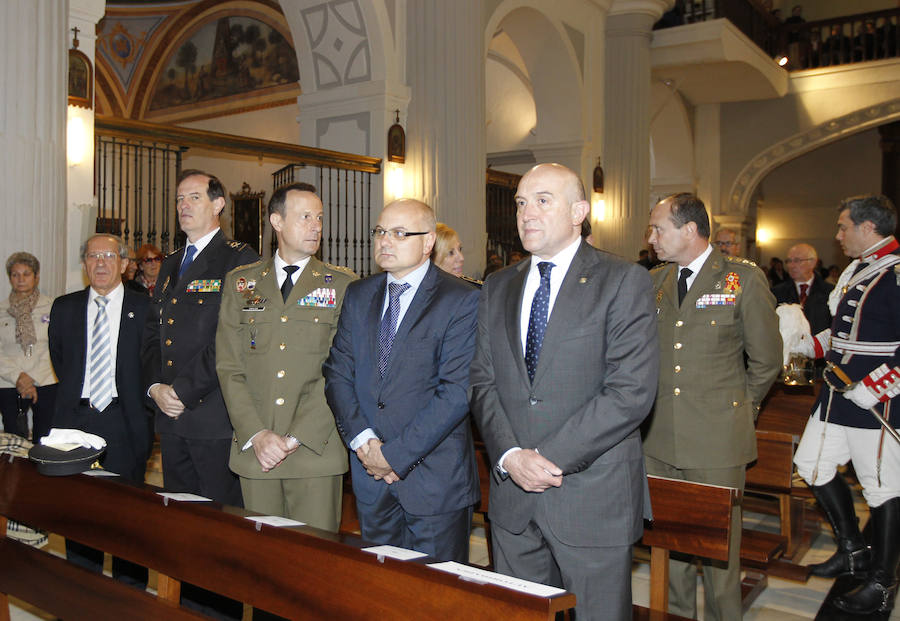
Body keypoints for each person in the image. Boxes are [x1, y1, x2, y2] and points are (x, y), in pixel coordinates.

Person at [469, 163, 658, 621]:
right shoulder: (498, 284)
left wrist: (545, 459)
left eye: (542, 200)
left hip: (590, 494)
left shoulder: (622, 280)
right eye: (520, 202)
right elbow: (481, 380)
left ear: (579, 211)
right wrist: (511, 455)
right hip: (513, 497)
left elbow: (630, 392)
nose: (526, 213)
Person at [644, 192, 782, 621]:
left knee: (721, 555)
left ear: (689, 230)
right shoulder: (654, 282)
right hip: (659, 438)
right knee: (669, 548)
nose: (651, 238)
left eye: (658, 228)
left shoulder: (740, 278)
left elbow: (767, 360)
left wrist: (741, 410)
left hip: (718, 441)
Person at [324, 199, 480, 562]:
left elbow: (456, 392)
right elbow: (337, 373)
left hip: (434, 482)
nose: (385, 241)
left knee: (436, 598)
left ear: (427, 243)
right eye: (380, 232)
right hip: (370, 476)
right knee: (382, 593)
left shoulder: (461, 299)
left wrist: (393, 457)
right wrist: (364, 442)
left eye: (399, 233)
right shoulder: (360, 294)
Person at [142, 169, 258, 620]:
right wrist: (155, 386)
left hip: (212, 417)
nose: (183, 205)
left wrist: (185, 391)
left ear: (218, 205)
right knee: (182, 528)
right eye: (178, 199)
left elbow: (241, 337)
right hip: (171, 418)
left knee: (218, 533)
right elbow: (153, 335)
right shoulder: (170, 263)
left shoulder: (241, 259)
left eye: (193, 197)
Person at [217, 182, 355, 533]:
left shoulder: (342, 285)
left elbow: (342, 370)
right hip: (256, 450)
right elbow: (229, 366)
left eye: (320, 218)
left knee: (315, 563)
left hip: (314, 450)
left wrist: (296, 437)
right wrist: (256, 434)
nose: (316, 226)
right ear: (276, 221)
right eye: (305, 217)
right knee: (261, 564)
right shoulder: (241, 283)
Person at [791, 195, 900, 615]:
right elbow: (841, 335)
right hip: (836, 397)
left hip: (875, 403)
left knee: (882, 490)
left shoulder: (894, 273)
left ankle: (882, 582)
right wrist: (808, 345)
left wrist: (877, 386)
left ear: (868, 228)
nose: (837, 236)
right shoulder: (858, 269)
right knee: (811, 467)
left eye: (842, 227)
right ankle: (853, 549)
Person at [48, 234, 152, 589]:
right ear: (84, 264)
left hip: (126, 422)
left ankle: (128, 603)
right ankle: (81, 599)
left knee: (128, 525)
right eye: (93, 256)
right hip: (76, 422)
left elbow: (150, 366)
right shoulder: (64, 308)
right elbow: (63, 362)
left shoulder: (146, 308)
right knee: (80, 520)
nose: (101, 263)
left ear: (124, 264)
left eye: (109, 255)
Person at [0, 252, 57, 441]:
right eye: (15, 275)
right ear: (10, 278)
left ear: (36, 277)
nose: (21, 279)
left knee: (46, 439)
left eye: (26, 274)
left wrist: (32, 377)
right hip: (9, 382)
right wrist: (19, 377)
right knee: (13, 440)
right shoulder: (1, 310)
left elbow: (56, 346)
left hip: (45, 379)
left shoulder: (52, 307)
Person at [773, 243, 833, 335]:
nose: (791, 265)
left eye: (797, 261)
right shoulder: (776, 293)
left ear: (812, 263)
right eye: (788, 261)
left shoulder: (830, 293)